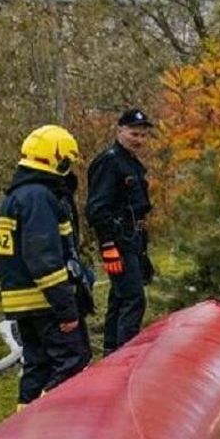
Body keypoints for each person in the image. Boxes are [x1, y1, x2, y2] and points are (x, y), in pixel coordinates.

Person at [0, 125, 93, 405]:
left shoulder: (17, 195)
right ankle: (52, 423)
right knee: (72, 360)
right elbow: (44, 259)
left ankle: (23, 429)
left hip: (25, 302)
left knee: (37, 365)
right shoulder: (39, 197)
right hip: (45, 301)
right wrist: (66, 309)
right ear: (59, 159)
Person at [86, 108, 154, 355]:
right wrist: (108, 245)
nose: (138, 139)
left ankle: (112, 353)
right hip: (118, 239)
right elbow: (97, 209)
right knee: (133, 299)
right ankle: (126, 357)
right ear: (119, 131)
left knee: (120, 298)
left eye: (143, 136)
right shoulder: (110, 161)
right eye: (134, 134)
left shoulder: (132, 163)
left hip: (133, 238)